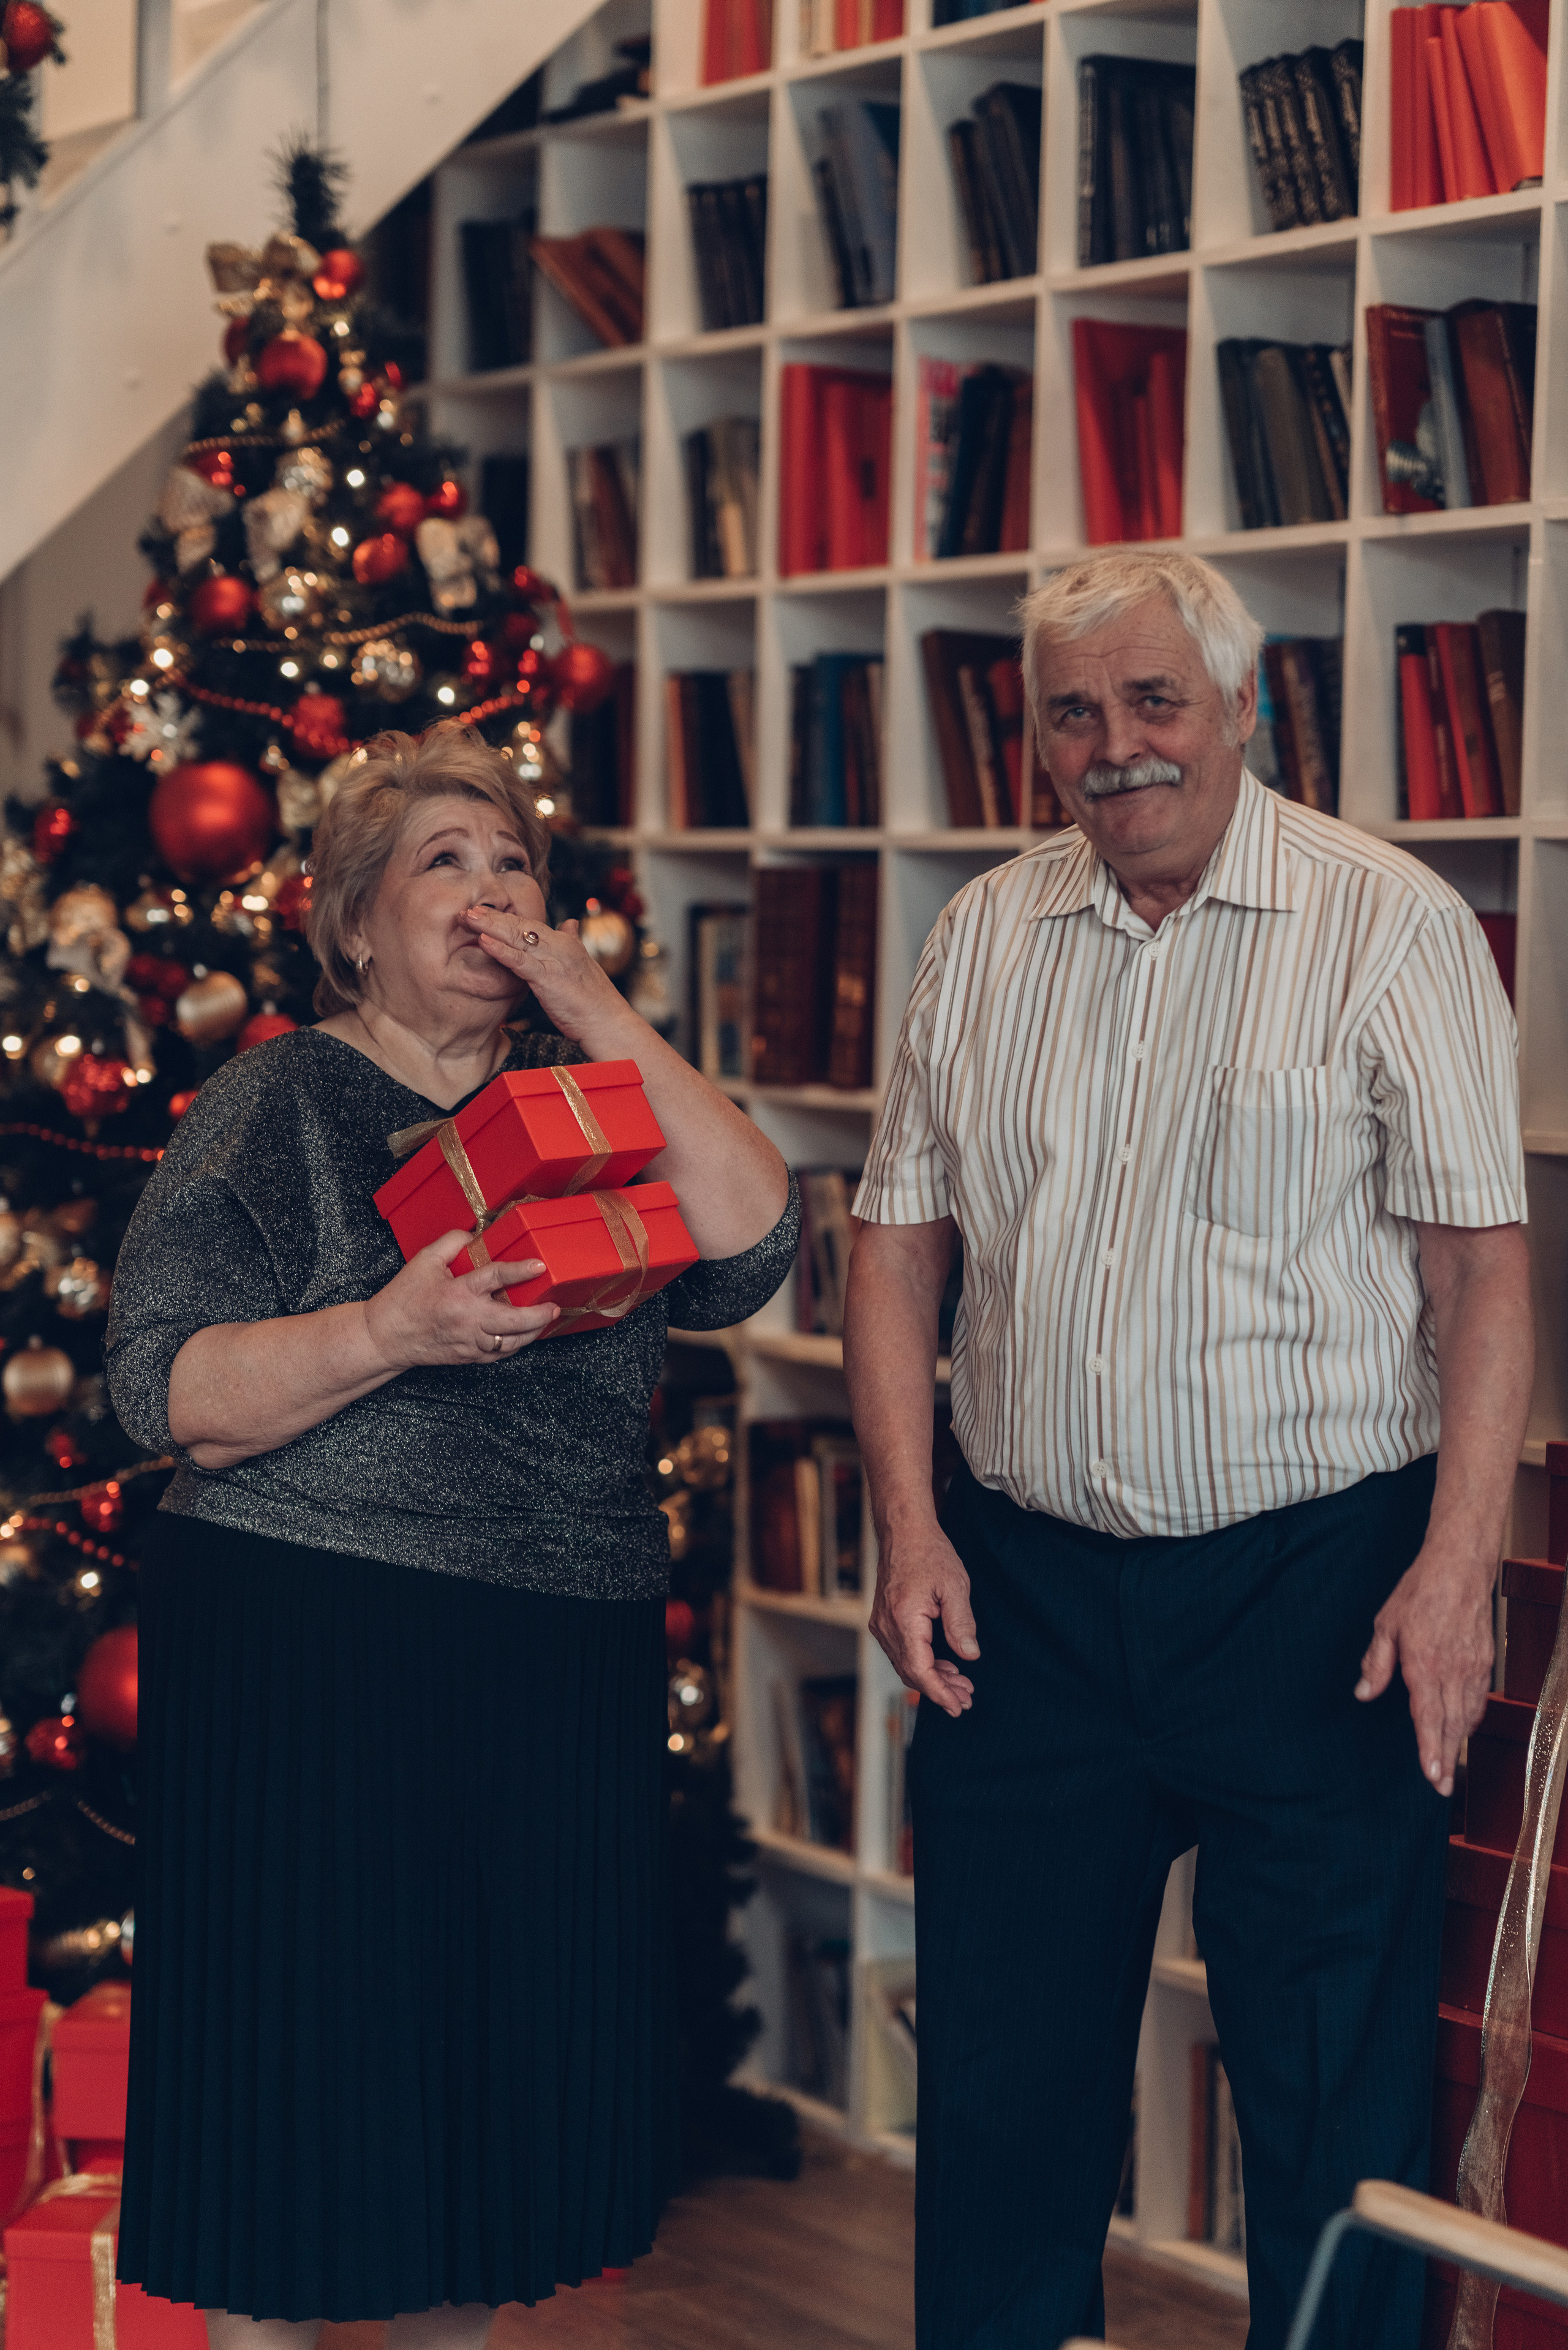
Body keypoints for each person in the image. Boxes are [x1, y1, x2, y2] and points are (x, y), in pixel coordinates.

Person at [842, 551, 1531, 2350]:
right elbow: (898, 1242)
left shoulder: (1389, 924)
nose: (1115, 744)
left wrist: (1457, 1572)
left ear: (1243, 702)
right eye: (1074, 710)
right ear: (1037, 737)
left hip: (1317, 1590)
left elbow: (1481, 1270)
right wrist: (911, 1528)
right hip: (1025, 1591)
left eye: (1154, 700)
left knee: (1327, 2092)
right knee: (1002, 2084)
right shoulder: (981, 933)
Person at [106, 723, 795, 2349]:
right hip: (311, 1650)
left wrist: (604, 1011)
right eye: (444, 864)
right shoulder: (270, 1102)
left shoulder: (598, 1095)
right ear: (350, 923)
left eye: (514, 866)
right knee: (292, 2124)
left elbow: (760, 1242)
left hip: (553, 1656)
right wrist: (389, 1332)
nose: (490, 894)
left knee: (482, 2150)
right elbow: (161, 1386)